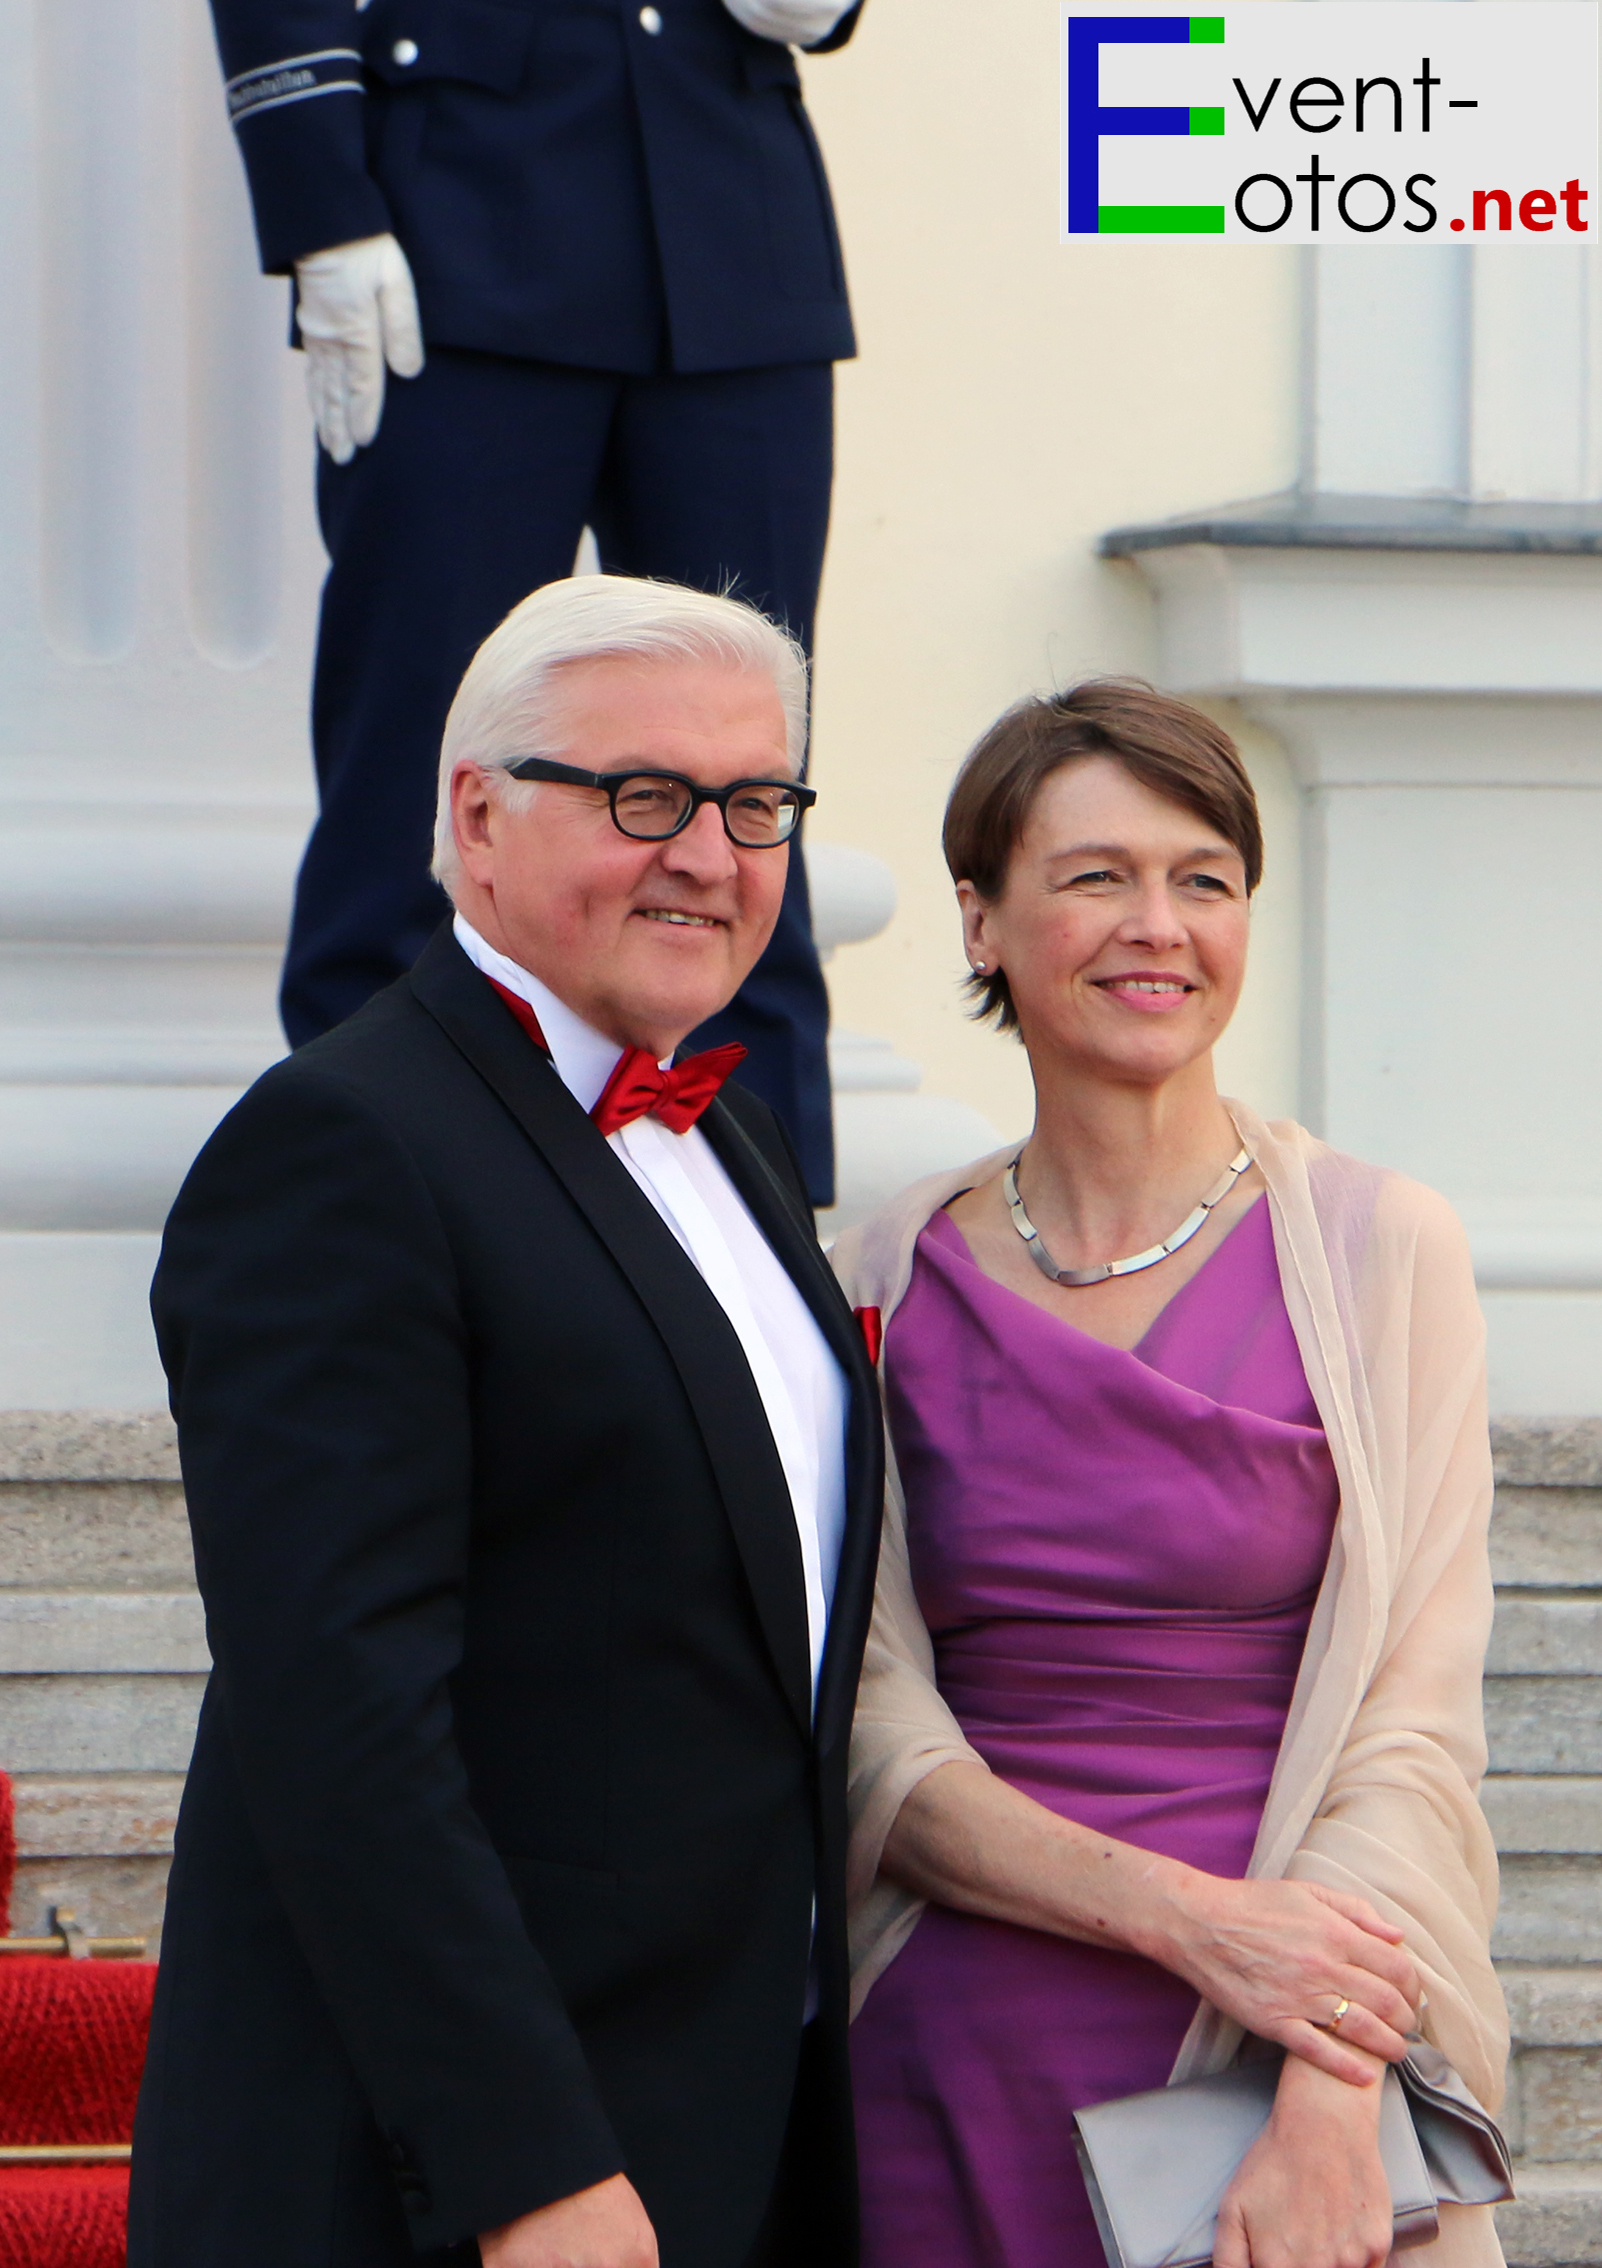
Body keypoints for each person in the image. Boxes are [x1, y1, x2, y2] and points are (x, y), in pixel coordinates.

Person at [130, 577, 884, 2268]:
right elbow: (340, 1715)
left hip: (721, 2125)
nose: (708, 850)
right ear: (475, 813)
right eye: (641, 796)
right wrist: (521, 2165)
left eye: (756, 803)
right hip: (450, 2180)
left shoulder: (737, 1139)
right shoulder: (342, 1145)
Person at [829, 681, 1508, 2268]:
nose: (1158, 925)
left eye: (1202, 878)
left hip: (1292, 2080)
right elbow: (861, 1722)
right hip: (948, 2058)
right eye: (1092, 877)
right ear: (980, 921)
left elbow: (1412, 1718)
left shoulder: (1380, 1247)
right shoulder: (870, 1276)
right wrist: (1193, 1925)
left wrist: (1332, 2083)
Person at [205, 0, 869, 1207]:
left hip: (730, 220)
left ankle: (755, 1233)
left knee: (749, 785)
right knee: (420, 771)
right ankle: (371, 1210)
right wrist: (321, 201)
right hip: (454, 216)